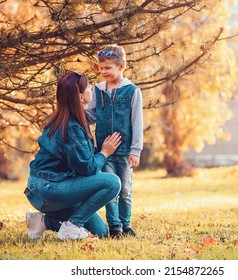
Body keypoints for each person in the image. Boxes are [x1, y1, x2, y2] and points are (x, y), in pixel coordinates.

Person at [25, 71, 122, 240]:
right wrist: (105, 152)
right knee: (113, 182)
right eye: (88, 87)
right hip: (48, 189)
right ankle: (72, 227)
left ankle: (42, 221)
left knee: (99, 231)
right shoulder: (71, 126)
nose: (91, 89)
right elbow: (88, 168)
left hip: (47, 189)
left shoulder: (65, 120)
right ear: (80, 96)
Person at [86, 44, 143, 238]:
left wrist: (136, 150)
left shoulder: (132, 91)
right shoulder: (98, 90)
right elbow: (91, 115)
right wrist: (76, 115)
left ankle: (126, 224)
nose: (103, 72)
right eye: (101, 68)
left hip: (126, 151)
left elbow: (137, 122)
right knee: (110, 190)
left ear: (122, 66)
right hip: (105, 152)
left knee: (125, 189)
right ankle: (115, 227)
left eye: (108, 68)